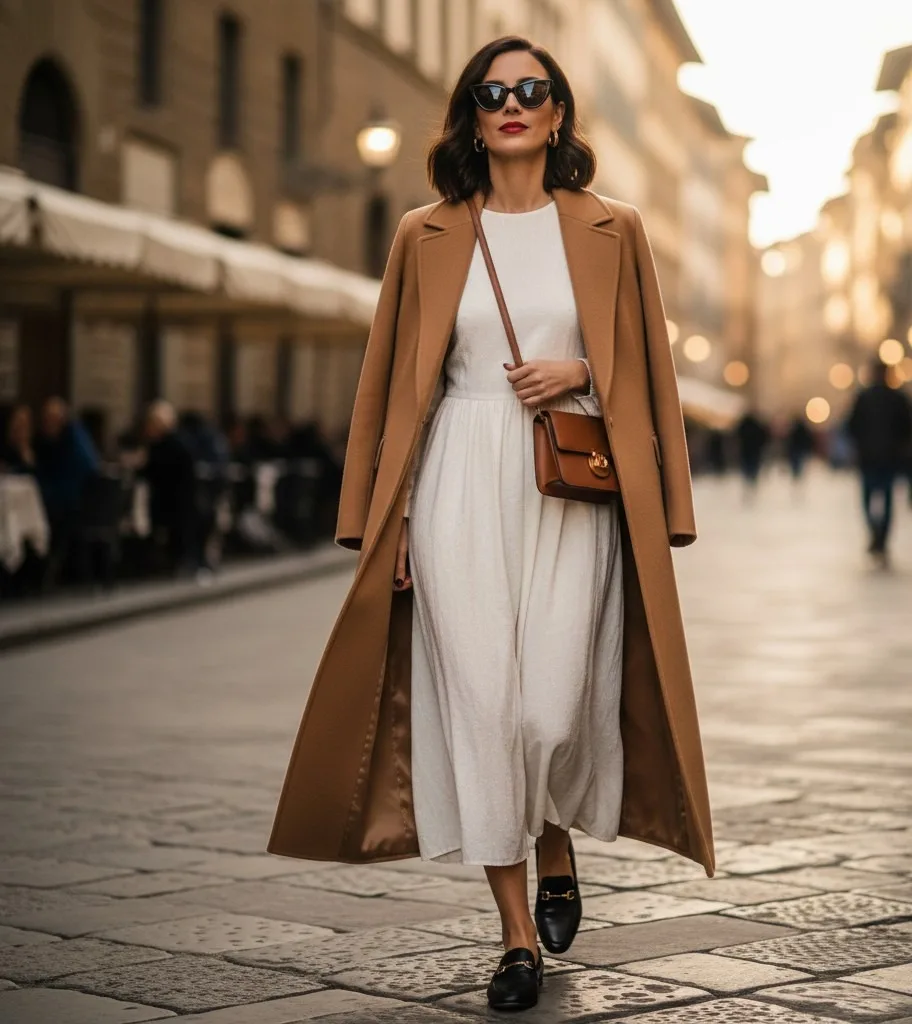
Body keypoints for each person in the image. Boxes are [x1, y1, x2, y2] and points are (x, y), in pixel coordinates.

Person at [267, 36, 714, 1013]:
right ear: (473, 113)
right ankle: (516, 937)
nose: (512, 104)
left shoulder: (612, 226)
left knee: (551, 709)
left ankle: (552, 838)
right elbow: (386, 381)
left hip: (567, 488)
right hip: (455, 482)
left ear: (557, 115)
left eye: (532, 90)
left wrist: (584, 372)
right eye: (493, 91)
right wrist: (380, 520)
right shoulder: (425, 232)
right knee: (481, 707)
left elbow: (648, 364)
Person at [847, 359, 912, 561]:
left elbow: (852, 425)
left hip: (868, 457)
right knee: (887, 498)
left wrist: (859, 445)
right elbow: (907, 427)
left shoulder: (863, 397)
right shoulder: (898, 398)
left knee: (868, 498)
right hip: (890, 458)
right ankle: (881, 537)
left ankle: (875, 533)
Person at [34, 397, 100, 585]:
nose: (49, 423)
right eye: (46, 419)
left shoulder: (72, 439)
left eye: (53, 418)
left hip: (71, 500)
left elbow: (83, 469)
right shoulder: (45, 439)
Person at [140, 400, 201, 577]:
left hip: (173, 501)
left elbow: (155, 471)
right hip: (173, 500)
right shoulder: (168, 443)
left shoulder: (171, 445)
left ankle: (175, 563)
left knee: (174, 534)